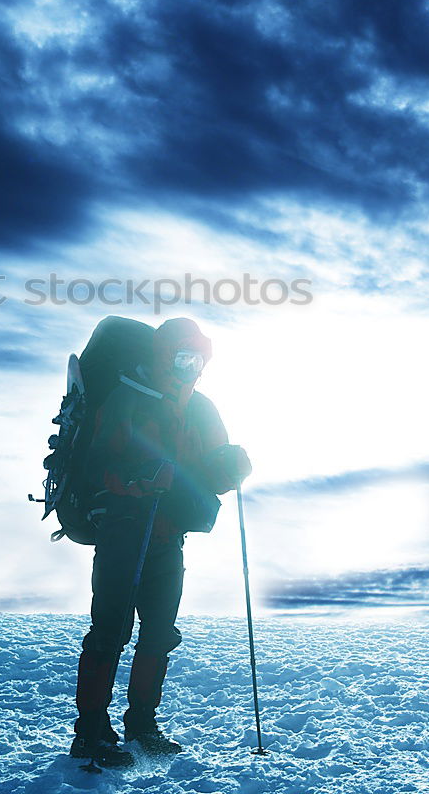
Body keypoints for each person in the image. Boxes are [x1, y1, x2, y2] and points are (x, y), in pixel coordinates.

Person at [70, 317, 252, 767]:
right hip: (122, 530)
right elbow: (96, 465)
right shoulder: (126, 399)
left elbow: (210, 472)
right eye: (181, 355)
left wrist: (230, 468)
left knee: (158, 633)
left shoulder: (203, 408)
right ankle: (91, 733)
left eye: (197, 358)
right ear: (162, 353)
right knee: (110, 632)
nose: (189, 365)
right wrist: (134, 479)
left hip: (168, 536)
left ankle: (142, 724)